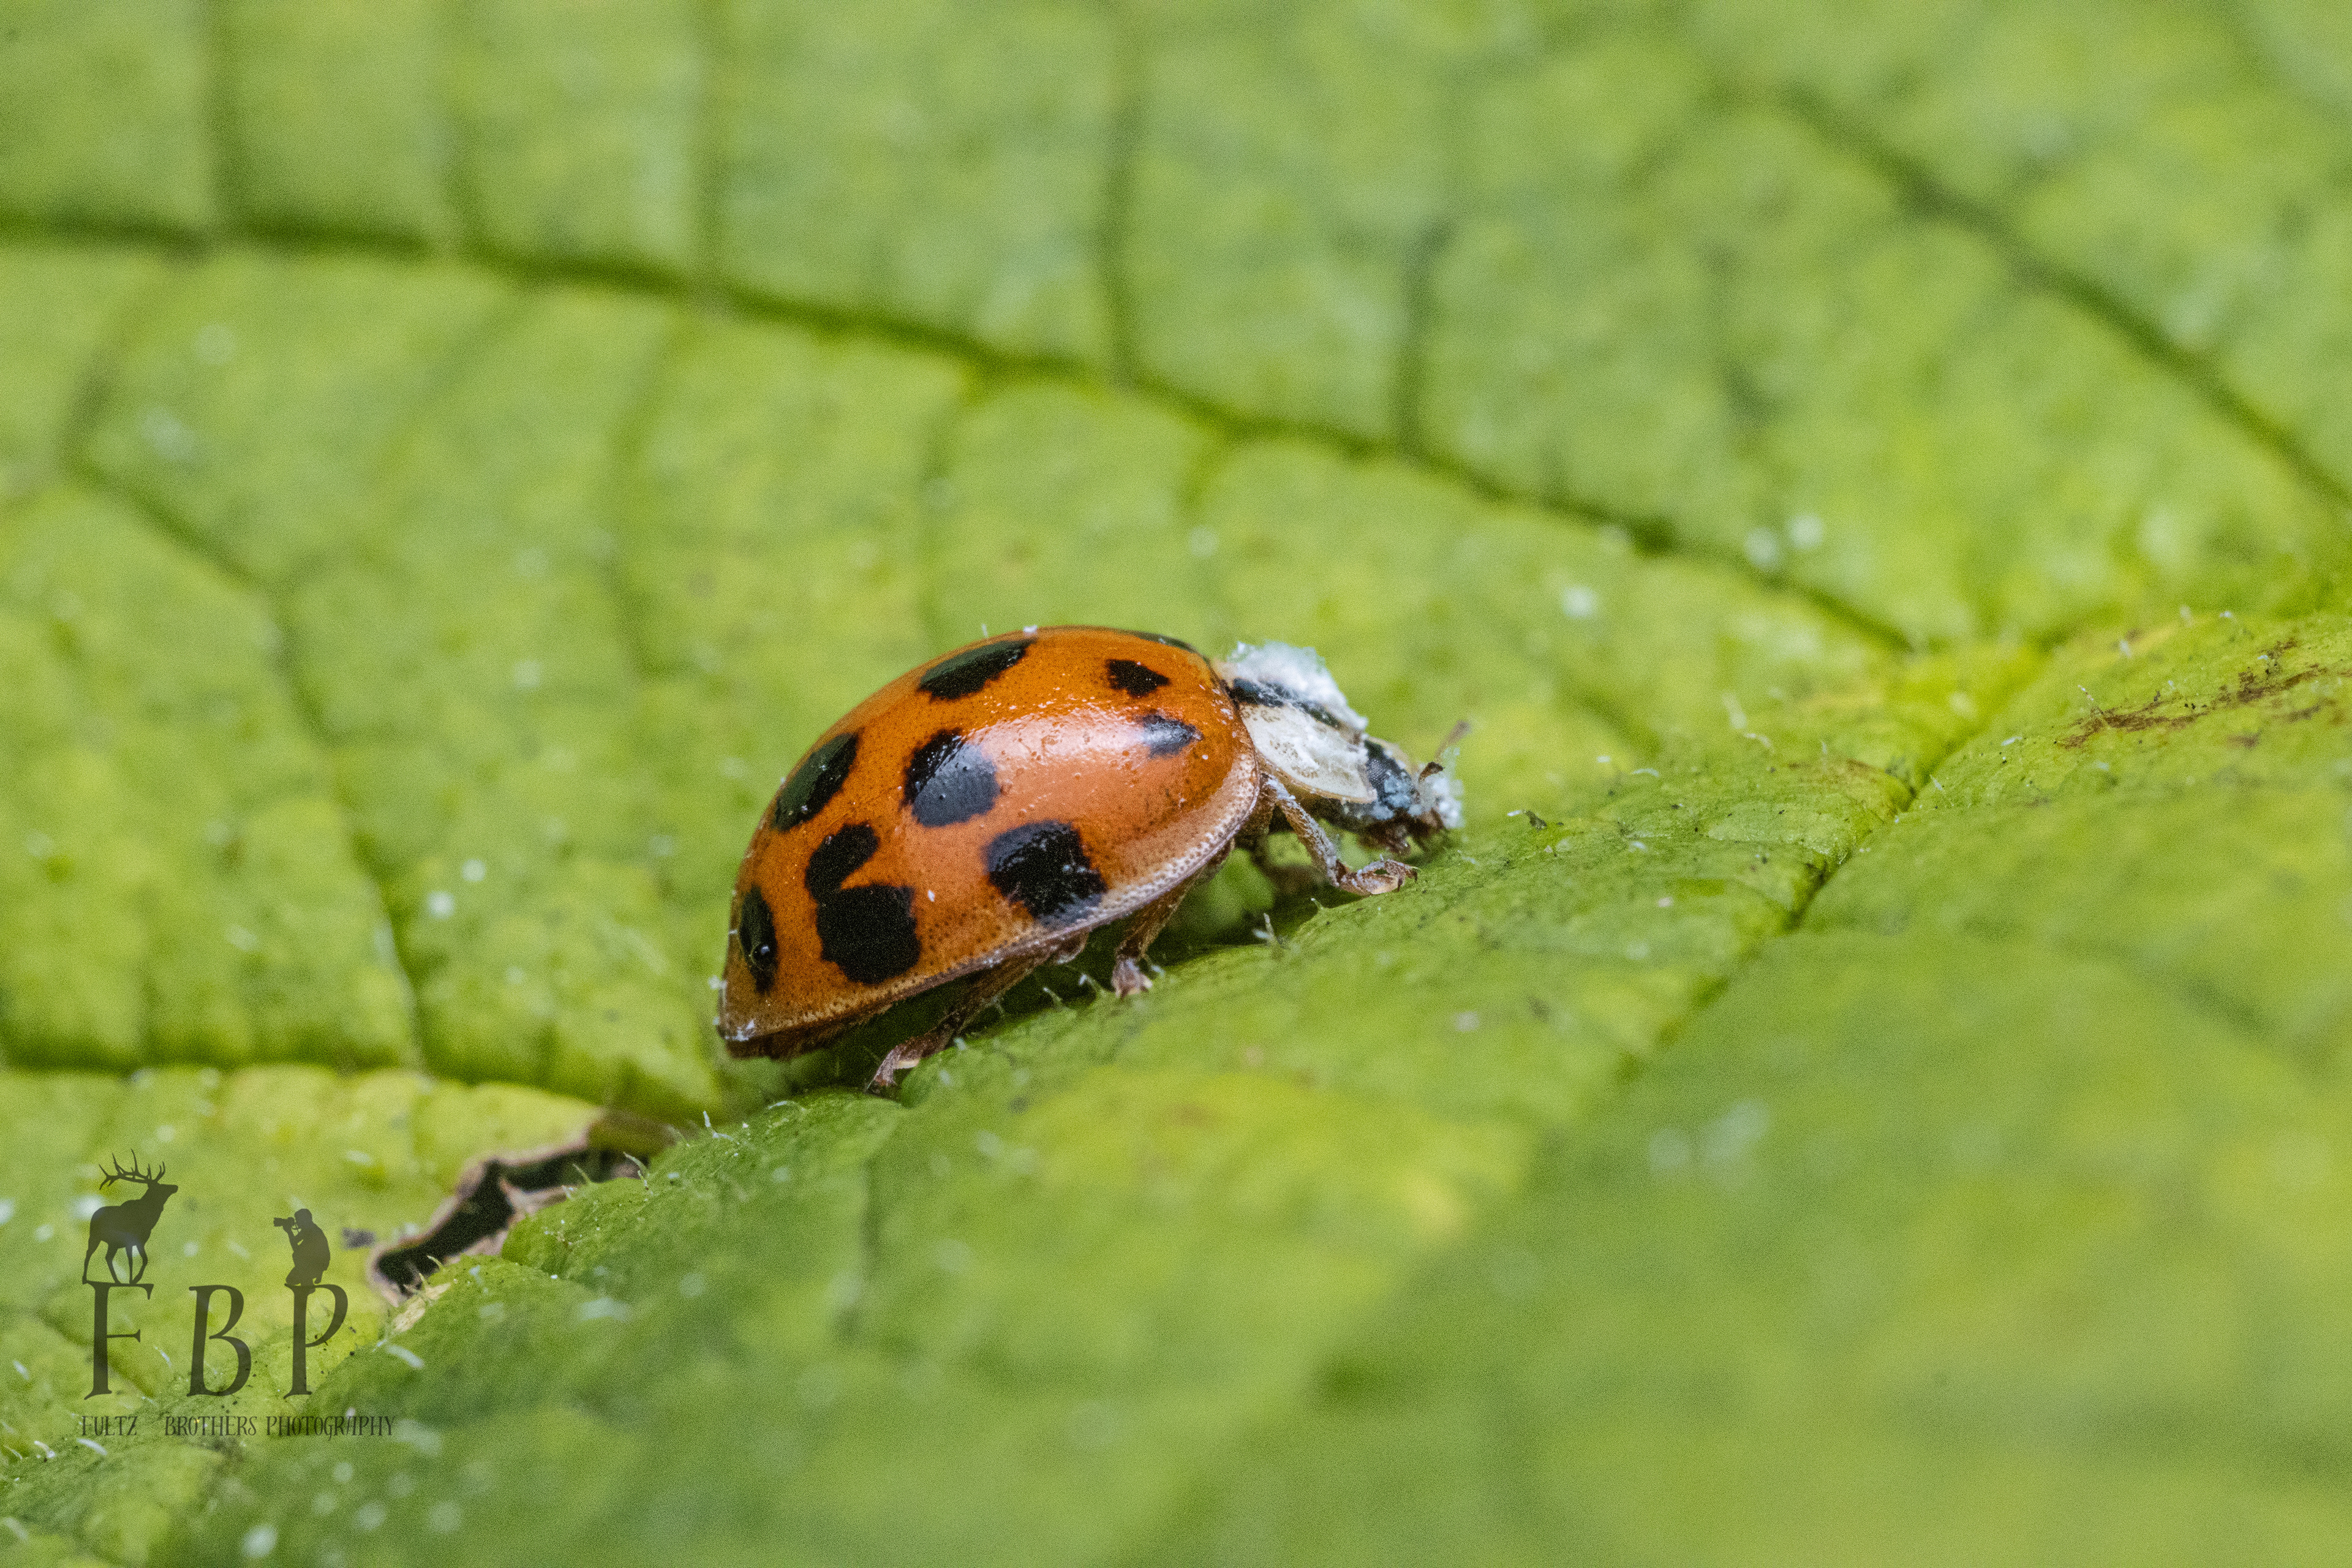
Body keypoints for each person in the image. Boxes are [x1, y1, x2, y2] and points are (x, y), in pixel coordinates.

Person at [273, 1208, 331, 1289]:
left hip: (318, 1263)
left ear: (305, 1220)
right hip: (316, 1262)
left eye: (298, 1220)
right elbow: (296, 1246)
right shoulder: (310, 1229)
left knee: (296, 1256)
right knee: (291, 1280)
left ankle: (309, 1286)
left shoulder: (312, 1231)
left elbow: (297, 1251)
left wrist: (289, 1232)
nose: (297, 1222)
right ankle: (315, 1276)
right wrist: (289, 1232)